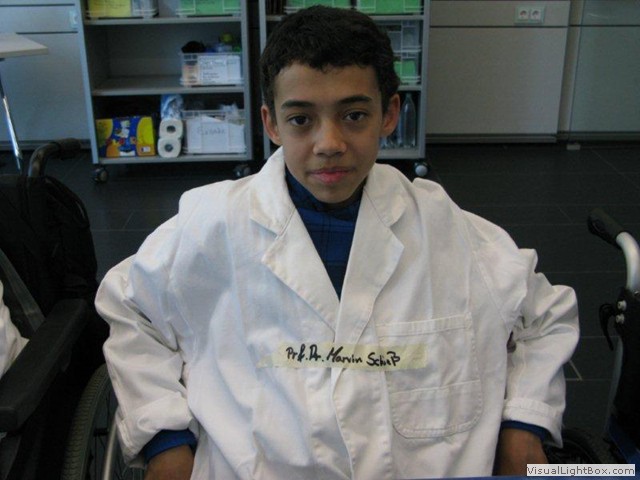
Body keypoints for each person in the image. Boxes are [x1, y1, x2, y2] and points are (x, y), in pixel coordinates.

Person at [96, 6, 579, 479]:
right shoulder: (214, 223)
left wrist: (524, 425)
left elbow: (546, 316)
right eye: (301, 120)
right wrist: (164, 440)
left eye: (353, 115)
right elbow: (130, 305)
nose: (329, 143)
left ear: (389, 114)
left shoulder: (443, 225)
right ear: (271, 123)